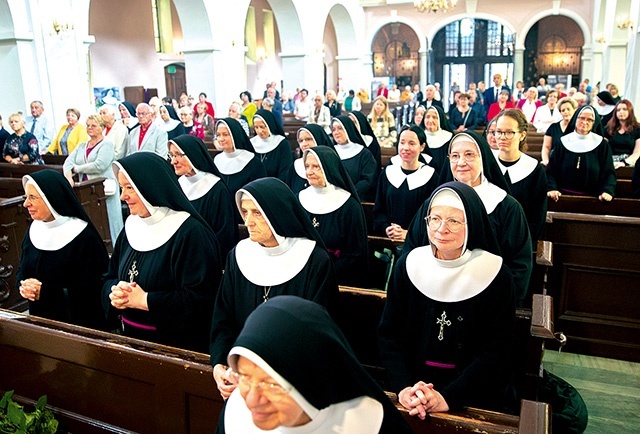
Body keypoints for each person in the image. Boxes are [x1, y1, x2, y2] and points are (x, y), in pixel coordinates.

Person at [378, 182, 516, 416]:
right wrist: (404, 388)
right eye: (435, 219)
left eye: (454, 221)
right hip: (411, 389)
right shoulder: (409, 265)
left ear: (472, 223)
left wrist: (449, 396)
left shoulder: (496, 274)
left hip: (473, 393)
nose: (442, 229)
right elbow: (390, 334)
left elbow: (496, 350)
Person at [210, 177, 338, 399]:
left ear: (276, 213)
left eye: (257, 213)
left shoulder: (314, 261)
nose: (248, 221)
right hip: (241, 377)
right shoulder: (238, 256)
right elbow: (223, 319)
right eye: (245, 211)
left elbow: (316, 337)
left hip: (292, 385)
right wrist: (220, 363)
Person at [218, 296, 412, 434]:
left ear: (311, 381)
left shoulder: (370, 423)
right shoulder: (235, 413)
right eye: (244, 377)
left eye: (272, 385)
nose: (251, 400)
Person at [104, 152, 223, 352]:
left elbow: (202, 300)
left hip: (172, 349)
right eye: (122, 187)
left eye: (129, 188)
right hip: (128, 342)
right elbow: (110, 276)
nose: (123, 196)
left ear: (149, 187)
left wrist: (145, 300)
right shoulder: (131, 227)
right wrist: (115, 292)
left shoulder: (190, 233)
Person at [405, 131, 532, 306]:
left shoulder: (506, 207)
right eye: (455, 156)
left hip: (486, 303)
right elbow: (413, 249)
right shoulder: (435, 202)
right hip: (432, 295)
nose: (461, 162)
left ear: (484, 158)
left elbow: (519, 265)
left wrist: (503, 303)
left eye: (469, 155)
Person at [18, 170, 109, 329]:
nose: (26, 204)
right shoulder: (33, 230)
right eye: (26, 197)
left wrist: (46, 293)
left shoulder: (84, 237)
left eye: (32, 197)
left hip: (78, 328)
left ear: (51, 198)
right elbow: (23, 270)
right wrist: (24, 285)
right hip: (40, 323)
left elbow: (96, 289)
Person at [299, 146, 368, 286]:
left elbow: (355, 254)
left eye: (316, 167)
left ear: (329, 168)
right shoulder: (299, 199)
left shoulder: (349, 206)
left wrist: (323, 273)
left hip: (337, 278)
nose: (309, 172)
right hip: (302, 273)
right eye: (307, 166)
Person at [169, 134, 238, 258]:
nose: (174, 161)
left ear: (192, 155)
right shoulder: (177, 186)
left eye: (179, 155)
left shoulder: (216, 189)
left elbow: (225, 235)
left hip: (206, 258)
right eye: (172, 155)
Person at [63, 114, 124, 244]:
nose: (90, 128)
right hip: (86, 190)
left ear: (102, 128)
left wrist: (77, 169)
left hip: (104, 190)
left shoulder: (107, 144)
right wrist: (69, 178)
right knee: (94, 223)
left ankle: (116, 248)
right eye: (88, 125)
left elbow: (100, 165)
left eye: (94, 126)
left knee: (111, 223)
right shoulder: (81, 146)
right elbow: (67, 163)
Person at [373, 125, 439, 241]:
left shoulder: (432, 177)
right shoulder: (388, 173)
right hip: (388, 239)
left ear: (422, 147)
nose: (405, 148)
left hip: (419, 241)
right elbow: (379, 209)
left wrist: (408, 234)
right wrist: (387, 228)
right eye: (402, 142)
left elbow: (434, 217)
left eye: (412, 143)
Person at [494, 109, 548, 245]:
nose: (502, 137)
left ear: (522, 135)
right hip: (488, 241)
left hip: (519, 242)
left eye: (509, 132)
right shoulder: (486, 163)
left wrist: (524, 244)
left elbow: (537, 216)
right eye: (499, 131)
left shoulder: (534, 169)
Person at [546, 105, 616, 202]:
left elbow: (609, 172)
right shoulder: (563, 142)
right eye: (582, 118)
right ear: (575, 119)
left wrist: (607, 190)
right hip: (562, 197)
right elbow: (551, 170)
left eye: (589, 119)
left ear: (594, 123)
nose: (585, 122)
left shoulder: (602, 144)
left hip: (594, 199)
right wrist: (552, 188)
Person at [213, 118, 267, 198]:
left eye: (225, 134)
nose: (221, 139)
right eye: (218, 135)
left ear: (235, 135)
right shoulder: (216, 160)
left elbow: (260, 193)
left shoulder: (253, 163)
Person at [330, 116, 378, 201]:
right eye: (333, 129)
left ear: (348, 129)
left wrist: (350, 194)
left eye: (340, 128)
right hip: (332, 199)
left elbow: (367, 180)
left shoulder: (364, 153)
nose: (336, 132)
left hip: (357, 200)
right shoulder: (329, 152)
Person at [283, 124, 331, 195]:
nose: (304, 144)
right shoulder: (296, 166)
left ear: (319, 139)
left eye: (308, 139)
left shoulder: (331, 165)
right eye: (301, 141)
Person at [251, 109, 293, 179]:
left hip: (276, 186)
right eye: (256, 127)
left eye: (262, 127)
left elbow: (285, 172)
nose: (259, 131)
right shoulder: (252, 143)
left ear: (269, 125)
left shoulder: (282, 143)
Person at [541, 96, 577, 165]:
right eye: (563, 110)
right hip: (555, 163)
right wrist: (545, 160)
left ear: (574, 110)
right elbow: (546, 147)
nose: (566, 112)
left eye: (568, 109)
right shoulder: (553, 127)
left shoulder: (579, 128)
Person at [604, 99, 640, 168]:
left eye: (624, 109)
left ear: (630, 111)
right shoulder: (608, 129)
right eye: (618, 110)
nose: (621, 112)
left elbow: (637, 152)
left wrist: (624, 162)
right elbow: (603, 149)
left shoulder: (638, 129)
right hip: (611, 162)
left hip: (630, 162)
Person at [421, 106, 453, 175]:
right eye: (427, 117)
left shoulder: (449, 138)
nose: (430, 120)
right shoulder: (418, 138)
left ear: (440, 119)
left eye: (434, 117)